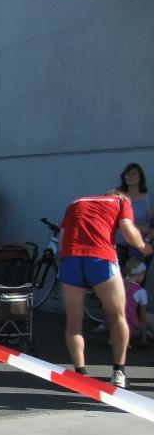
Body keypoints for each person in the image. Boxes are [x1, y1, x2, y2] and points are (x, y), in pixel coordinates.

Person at [58, 191, 152, 388]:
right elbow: (128, 231)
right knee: (118, 315)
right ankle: (118, 372)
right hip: (101, 258)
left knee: (74, 322)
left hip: (71, 258)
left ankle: (80, 374)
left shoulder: (76, 201)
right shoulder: (121, 202)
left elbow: (62, 239)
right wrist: (143, 246)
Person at [115, 163, 154, 275]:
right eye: (127, 174)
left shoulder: (149, 199)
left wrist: (146, 242)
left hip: (140, 247)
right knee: (118, 280)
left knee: (136, 281)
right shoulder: (118, 197)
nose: (130, 176)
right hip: (119, 245)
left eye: (134, 174)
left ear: (140, 177)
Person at [120, 259, 152, 348]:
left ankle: (113, 339)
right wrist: (144, 340)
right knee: (147, 317)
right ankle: (140, 340)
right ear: (140, 274)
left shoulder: (119, 284)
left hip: (111, 322)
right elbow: (143, 317)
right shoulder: (141, 291)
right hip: (130, 325)